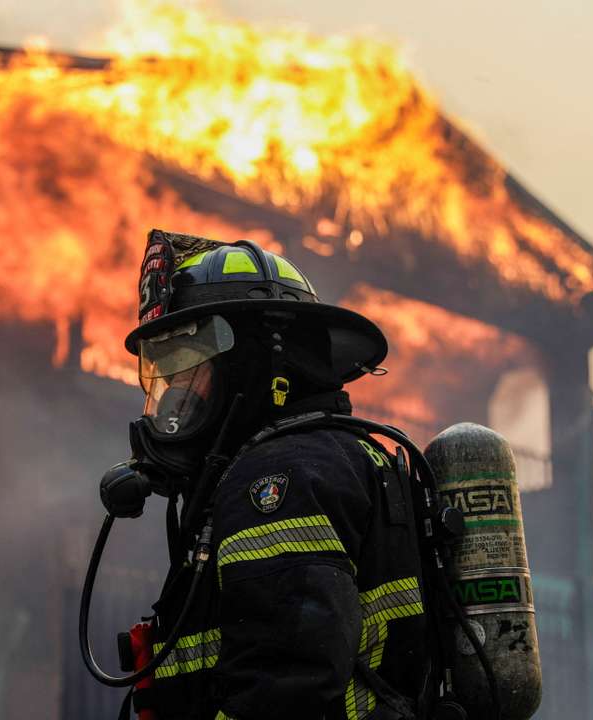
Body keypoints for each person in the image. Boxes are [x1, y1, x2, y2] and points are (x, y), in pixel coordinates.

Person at [109, 229, 431, 720]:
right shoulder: (334, 459)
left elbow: (283, 690)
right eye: (166, 376)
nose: (177, 398)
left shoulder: (281, 479)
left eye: (190, 368)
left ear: (254, 362)